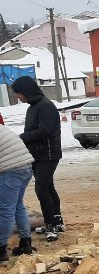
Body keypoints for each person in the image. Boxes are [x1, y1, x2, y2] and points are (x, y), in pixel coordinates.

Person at [11, 76, 63, 243]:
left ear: (26, 91)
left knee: (41, 189)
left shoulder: (45, 106)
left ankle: (50, 225)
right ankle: (57, 220)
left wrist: (22, 137)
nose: (18, 97)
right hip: (38, 154)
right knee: (48, 187)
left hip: (48, 154)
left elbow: (46, 130)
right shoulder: (33, 107)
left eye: (18, 94)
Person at [0, 125, 35, 261]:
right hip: (25, 166)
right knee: (17, 205)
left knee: (5, 209)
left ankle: (1, 248)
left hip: (11, 169)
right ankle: (25, 243)